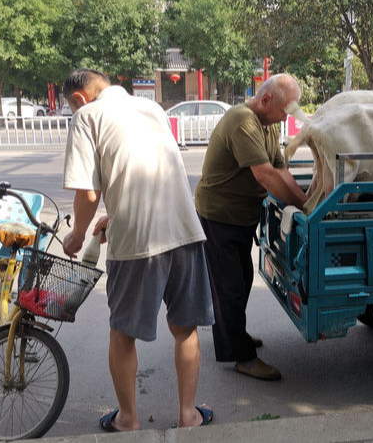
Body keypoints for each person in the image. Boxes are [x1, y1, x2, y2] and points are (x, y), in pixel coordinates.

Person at [61, 68, 215, 432]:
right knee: (185, 328)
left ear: (79, 99)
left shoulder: (86, 116)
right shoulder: (153, 109)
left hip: (137, 242)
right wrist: (112, 215)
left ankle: (128, 420)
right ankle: (188, 415)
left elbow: (86, 193)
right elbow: (141, 167)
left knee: (122, 333)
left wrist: (77, 234)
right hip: (185, 229)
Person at [195, 74, 309, 381]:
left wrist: (305, 199)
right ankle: (243, 356)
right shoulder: (242, 120)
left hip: (239, 217)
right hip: (220, 216)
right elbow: (265, 177)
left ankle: (233, 337)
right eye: (285, 110)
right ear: (266, 100)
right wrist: (307, 208)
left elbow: (281, 170)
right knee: (230, 286)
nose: (287, 118)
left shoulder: (267, 126)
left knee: (240, 279)